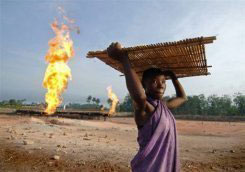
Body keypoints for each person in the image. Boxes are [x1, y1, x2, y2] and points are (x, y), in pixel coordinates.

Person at [107, 42, 187, 172]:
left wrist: (173, 77)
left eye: (163, 82)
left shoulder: (163, 106)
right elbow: (139, 96)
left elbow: (182, 98)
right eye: (154, 82)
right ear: (144, 85)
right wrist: (124, 60)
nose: (161, 85)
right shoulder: (144, 108)